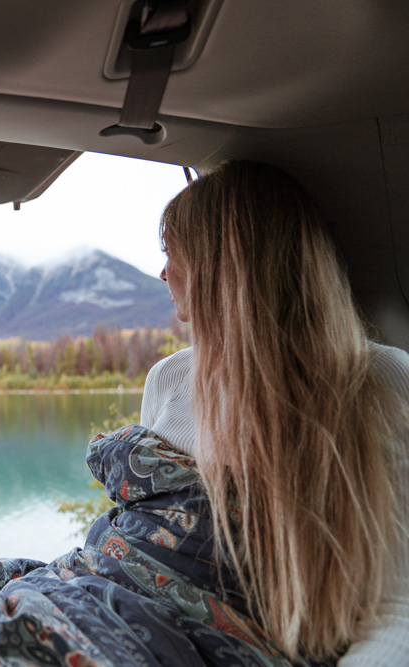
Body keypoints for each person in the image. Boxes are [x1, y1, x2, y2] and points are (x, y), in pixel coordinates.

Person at [139, 161, 409, 664]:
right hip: (106, 606)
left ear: (218, 267)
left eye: (170, 254)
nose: (162, 273)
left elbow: (400, 614)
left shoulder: (379, 382)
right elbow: (135, 533)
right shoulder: (169, 378)